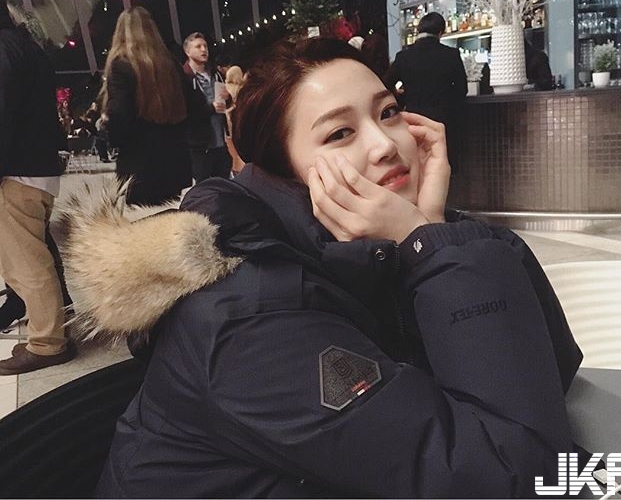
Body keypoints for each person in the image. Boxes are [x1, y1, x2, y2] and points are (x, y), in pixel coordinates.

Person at [67, 38, 582, 498]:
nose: (385, 144)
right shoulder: (250, 318)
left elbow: (550, 374)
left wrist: (433, 234)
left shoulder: (360, 246)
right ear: (285, 168)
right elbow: (525, 476)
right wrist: (430, 246)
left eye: (388, 112)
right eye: (339, 133)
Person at [0, 0, 75, 375]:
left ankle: (47, 344)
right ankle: (53, 329)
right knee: (33, 256)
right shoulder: (24, 45)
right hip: (36, 167)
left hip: (17, 170)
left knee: (27, 264)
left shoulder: (4, 51)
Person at [103, 7, 192, 206]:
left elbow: (118, 113)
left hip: (138, 164)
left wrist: (112, 136)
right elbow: (193, 105)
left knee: (143, 222)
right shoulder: (171, 65)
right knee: (169, 217)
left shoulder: (121, 66)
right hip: (175, 163)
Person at [386, 12, 467, 172]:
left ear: (419, 30)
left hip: (414, 121)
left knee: (418, 165)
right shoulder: (451, 55)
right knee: (443, 165)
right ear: (440, 32)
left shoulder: (404, 56)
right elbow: (462, 90)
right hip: (444, 121)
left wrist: (402, 96)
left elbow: (386, 84)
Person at [181, 33, 232, 182]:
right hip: (200, 146)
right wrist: (211, 109)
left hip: (220, 141)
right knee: (204, 186)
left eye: (205, 46)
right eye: (198, 46)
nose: (204, 50)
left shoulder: (215, 73)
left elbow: (225, 103)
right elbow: (185, 111)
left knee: (224, 183)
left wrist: (227, 98)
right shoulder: (184, 77)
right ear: (187, 51)